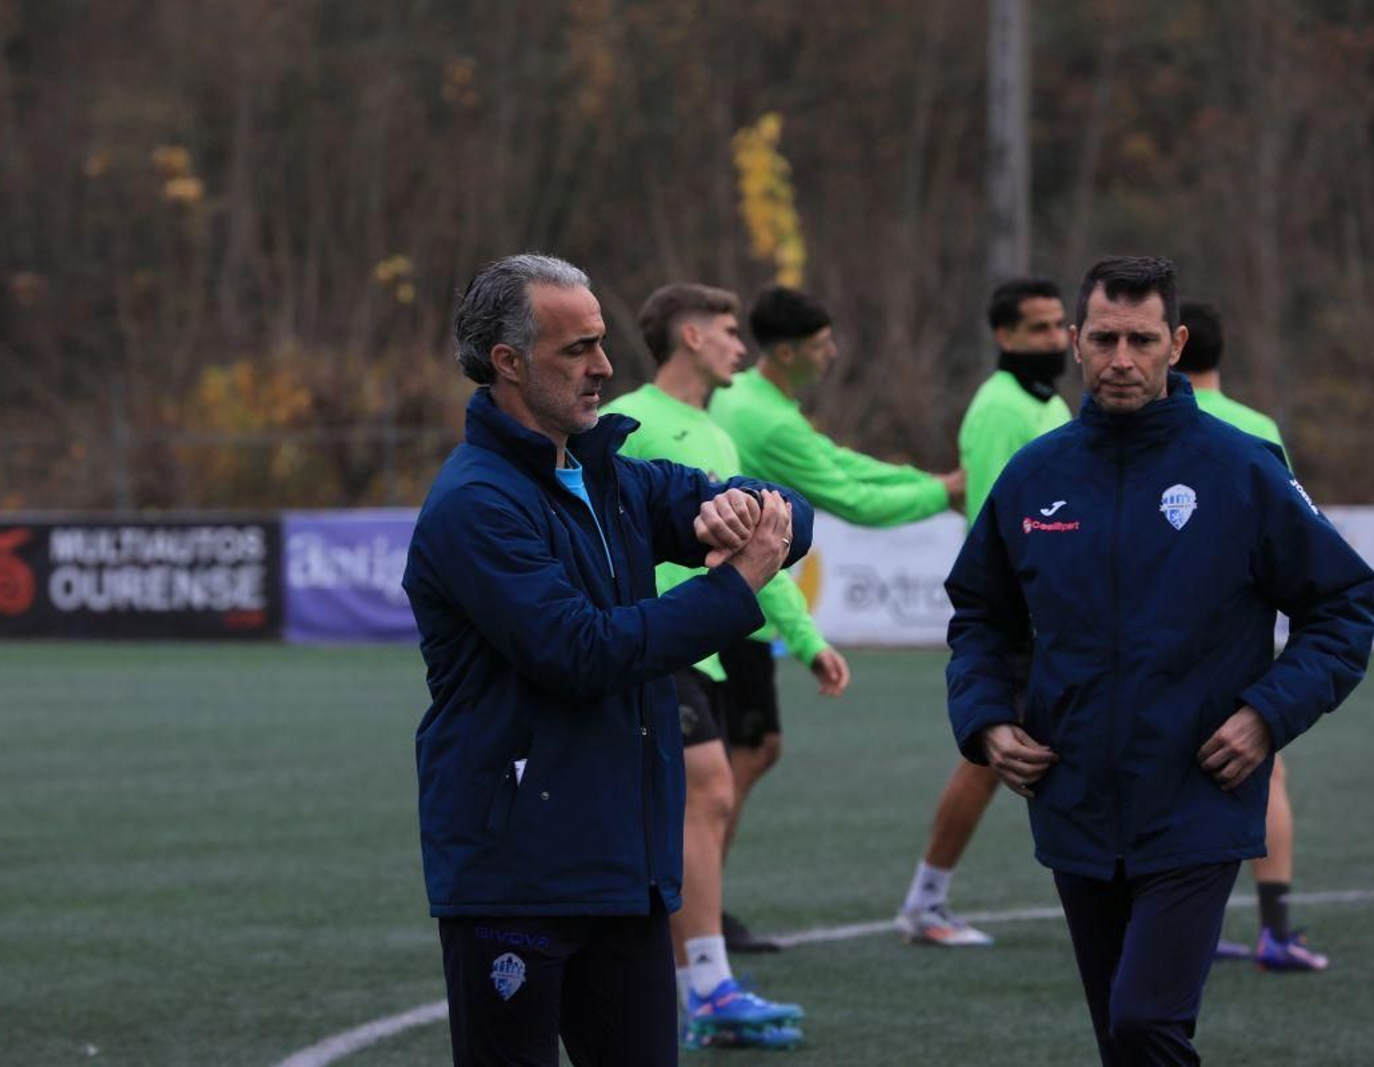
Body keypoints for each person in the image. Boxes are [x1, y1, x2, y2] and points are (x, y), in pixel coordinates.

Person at [945, 255, 1374, 1065]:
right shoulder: (1034, 476)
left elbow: (1343, 603)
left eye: (1141, 339)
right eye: (1104, 337)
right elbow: (981, 616)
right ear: (1074, 341)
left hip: (1197, 796)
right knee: (1122, 1035)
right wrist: (986, 720)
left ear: (1175, 343)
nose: (1121, 359)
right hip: (1071, 799)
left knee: (1147, 1021)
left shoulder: (1241, 468)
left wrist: (1267, 713)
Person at [402, 254, 813, 1067]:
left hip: (626, 874)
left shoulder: (613, 476)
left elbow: (790, 516)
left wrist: (751, 509)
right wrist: (736, 584)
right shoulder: (475, 504)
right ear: (507, 362)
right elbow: (580, 652)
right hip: (515, 879)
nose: (604, 367)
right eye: (576, 349)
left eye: (601, 342)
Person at [604, 283, 851, 1050]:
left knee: (701, 797)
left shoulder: (715, 437)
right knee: (708, 789)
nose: (741, 347)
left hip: (700, 650)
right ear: (688, 335)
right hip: (653, 643)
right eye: (727, 330)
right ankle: (705, 984)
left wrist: (805, 639)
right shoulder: (636, 421)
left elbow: (762, 557)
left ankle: (692, 982)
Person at [707, 284, 964, 947]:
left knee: (742, 752)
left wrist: (933, 483)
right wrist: (943, 492)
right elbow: (854, 501)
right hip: (735, 610)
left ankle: (694, 901)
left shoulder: (751, 400)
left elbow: (842, 465)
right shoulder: (768, 421)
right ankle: (697, 907)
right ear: (788, 351)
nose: (834, 356)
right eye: (823, 347)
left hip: (730, 608)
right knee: (735, 757)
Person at [896, 277, 1072, 947]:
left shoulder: (1048, 400)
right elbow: (1007, 520)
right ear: (1004, 337)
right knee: (989, 753)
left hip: (1050, 613)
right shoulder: (1000, 407)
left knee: (1004, 754)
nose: (1056, 339)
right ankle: (925, 900)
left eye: (1060, 325)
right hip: (1022, 613)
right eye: (1039, 328)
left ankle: (926, 898)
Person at [1178, 301, 1324, 972]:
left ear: (1171, 347)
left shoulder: (1147, 421)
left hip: (1154, 632)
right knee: (1266, 770)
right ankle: (1275, 929)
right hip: (1238, 631)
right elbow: (1291, 529)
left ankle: (1177, 927)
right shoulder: (1258, 426)